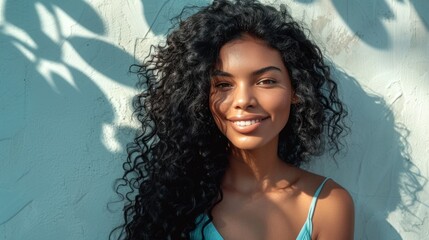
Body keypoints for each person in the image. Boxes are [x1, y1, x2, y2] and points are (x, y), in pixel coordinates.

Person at [116, 0, 354, 239]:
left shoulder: (327, 205)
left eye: (266, 81)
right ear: (200, 97)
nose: (243, 100)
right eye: (223, 84)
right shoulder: (177, 202)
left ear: (296, 90)